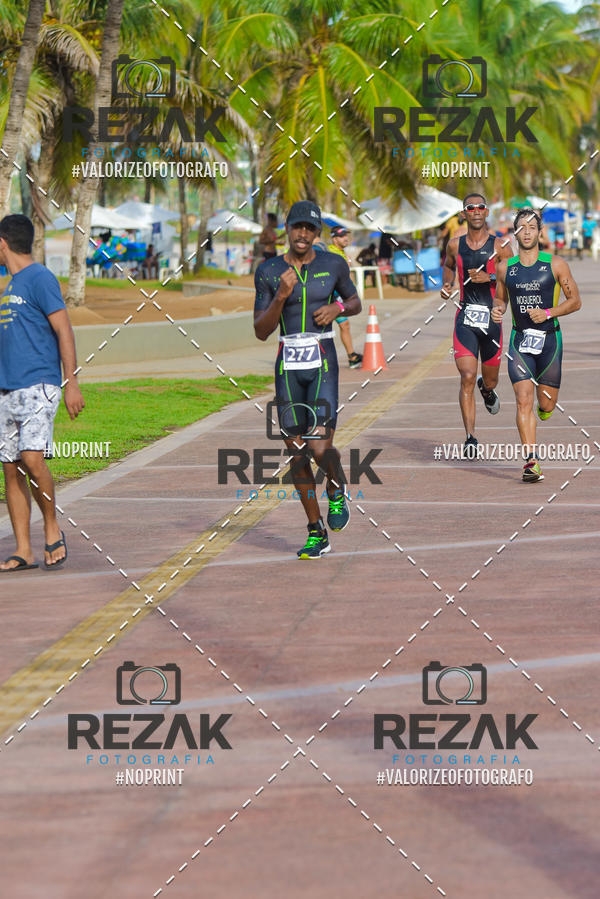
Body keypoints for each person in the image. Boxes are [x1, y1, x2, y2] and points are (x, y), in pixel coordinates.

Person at [254, 201, 361, 559]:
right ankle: (317, 532)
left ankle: (337, 488)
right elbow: (260, 331)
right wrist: (281, 297)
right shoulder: (268, 271)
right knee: (296, 454)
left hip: (322, 360)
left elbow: (354, 300)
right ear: (288, 228)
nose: (303, 234)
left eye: (310, 229)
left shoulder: (333, 263)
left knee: (318, 447)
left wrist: (338, 309)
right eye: (298, 227)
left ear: (317, 233)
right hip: (287, 363)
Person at [0, 214, 85, 571]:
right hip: (5, 389)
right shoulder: (8, 284)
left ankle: (52, 527)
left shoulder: (39, 278)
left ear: (2, 244)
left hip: (39, 385)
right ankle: (24, 549)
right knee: (11, 467)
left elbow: (64, 331)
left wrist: (72, 383)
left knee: (32, 459)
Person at [492, 208, 581, 482]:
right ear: (515, 232)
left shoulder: (556, 264)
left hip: (550, 341)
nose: (527, 232)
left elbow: (575, 301)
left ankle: (546, 407)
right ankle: (531, 462)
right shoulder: (505, 268)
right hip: (520, 342)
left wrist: (549, 312)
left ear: (540, 232)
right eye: (522, 227)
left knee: (546, 404)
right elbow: (500, 299)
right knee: (522, 400)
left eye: (532, 227)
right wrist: (497, 309)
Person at [441, 192, 513, 458]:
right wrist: (447, 284)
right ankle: (470, 437)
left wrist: (489, 276)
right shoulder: (453, 245)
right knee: (466, 376)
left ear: (487, 212)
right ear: (464, 213)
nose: (476, 210)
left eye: (481, 206)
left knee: (489, 381)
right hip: (466, 319)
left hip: (492, 320)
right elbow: (448, 266)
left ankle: (488, 389)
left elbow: (513, 275)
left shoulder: (501, 246)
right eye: (470, 207)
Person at [328, 226, 363, 369]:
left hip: (337, 297)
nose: (346, 238)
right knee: (323, 329)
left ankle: (352, 357)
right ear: (334, 238)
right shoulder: (330, 252)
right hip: (328, 297)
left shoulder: (342, 253)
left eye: (346, 235)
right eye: (342, 236)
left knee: (345, 325)